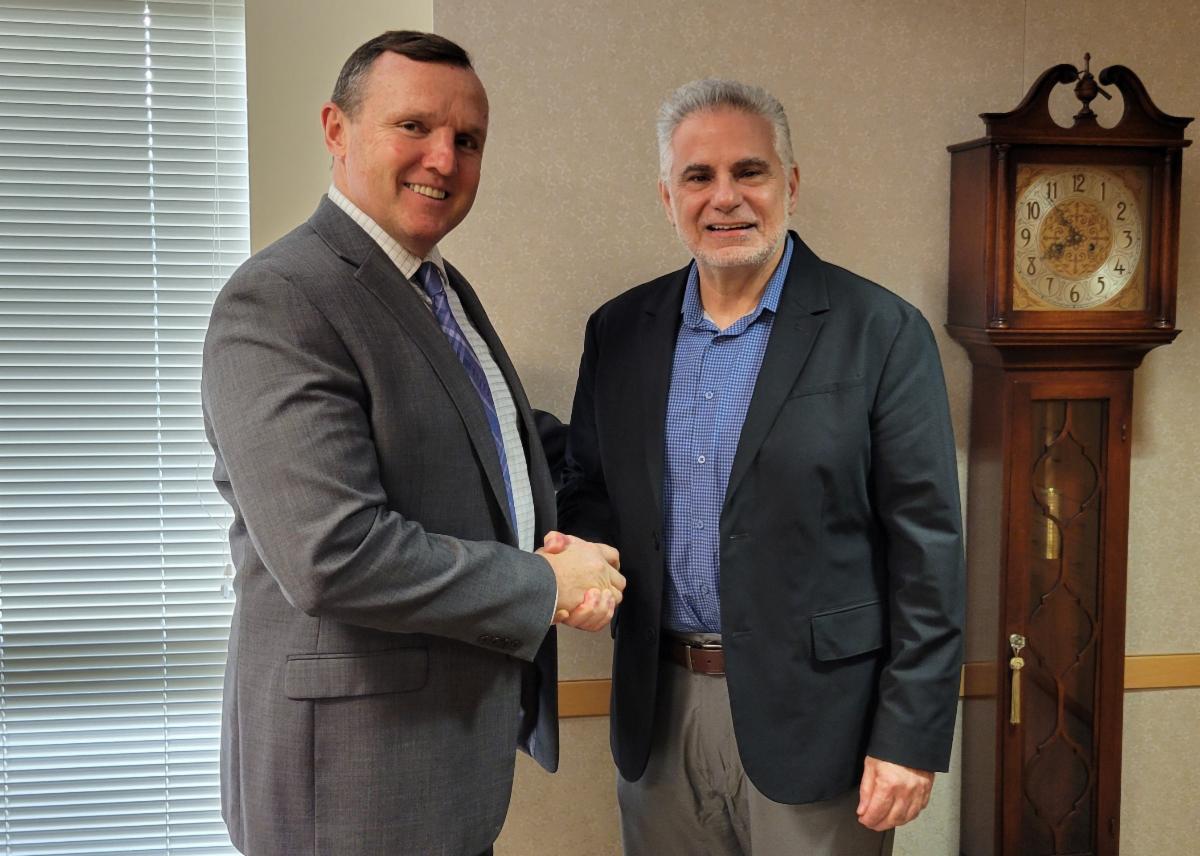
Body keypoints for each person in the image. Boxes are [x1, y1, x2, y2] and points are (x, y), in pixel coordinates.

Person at [201, 30, 624, 856]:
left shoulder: (436, 286)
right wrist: (543, 582)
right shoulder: (281, 300)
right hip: (349, 787)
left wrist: (632, 470)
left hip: (439, 762)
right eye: (415, 127)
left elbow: (491, 437)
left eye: (467, 140)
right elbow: (333, 552)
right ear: (337, 129)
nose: (444, 158)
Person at [557, 79, 965, 855]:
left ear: (791, 184)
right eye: (698, 177)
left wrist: (911, 733)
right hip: (659, 704)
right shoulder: (619, 331)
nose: (726, 199)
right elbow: (592, 488)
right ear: (666, 195)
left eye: (750, 172)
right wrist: (582, 554)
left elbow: (928, 551)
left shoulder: (879, 331)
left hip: (821, 720)